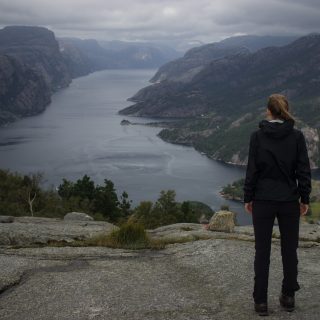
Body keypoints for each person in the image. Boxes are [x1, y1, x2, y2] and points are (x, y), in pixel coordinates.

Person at [243, 94, 312, 316]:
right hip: (288, 200)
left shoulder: (257, 136)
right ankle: (288, 297)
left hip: (263, 200)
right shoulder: (297, 136)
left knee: (262, 252)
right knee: (289, 250)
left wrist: (248, 197)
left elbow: (252, 170)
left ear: (268, 111)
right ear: (285, 110)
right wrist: (305, 198)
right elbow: (303, 171)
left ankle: (261, 302)